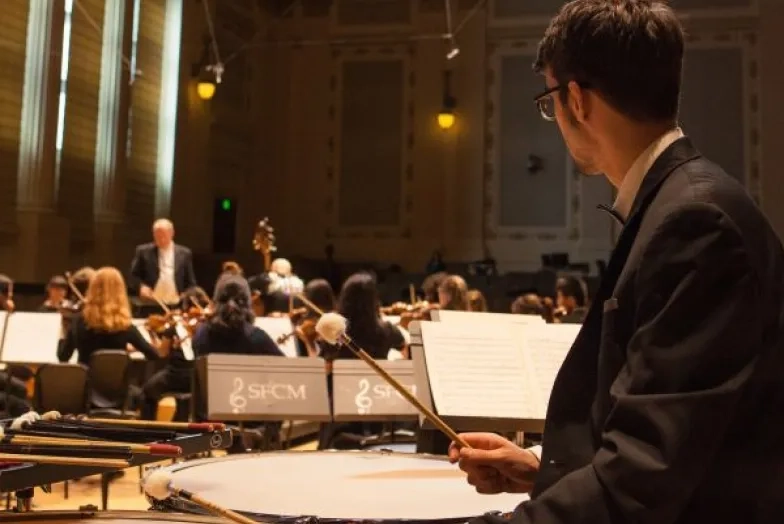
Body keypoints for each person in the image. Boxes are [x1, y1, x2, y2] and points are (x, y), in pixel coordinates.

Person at [449, 1, 784, 522]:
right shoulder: (681, 205)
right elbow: (685, 440)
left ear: (576, 100)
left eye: (549, 102)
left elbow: (641, 481)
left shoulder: (694, 223)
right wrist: (545, 469)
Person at [57, 267, 162, 365]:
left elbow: (63, 357)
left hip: (86, 383)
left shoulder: (78, 321)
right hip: (118, 384)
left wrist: (63, 331)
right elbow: (154, 355)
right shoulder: (125, 326)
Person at [130, 218, 197, 306]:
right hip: (151, 302)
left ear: (172, 233)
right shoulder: (143, 251)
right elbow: (133, 276)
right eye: (157, 236)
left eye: (164, 236)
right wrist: (141, 287)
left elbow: (191, 282)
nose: (161, 240)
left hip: (176, 302)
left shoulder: (184, 253)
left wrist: (186, 294)